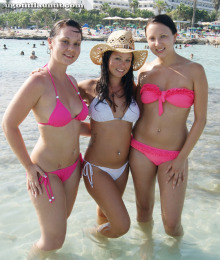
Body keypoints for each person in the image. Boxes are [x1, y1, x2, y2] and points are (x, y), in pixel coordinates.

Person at [2, 19, 89, 260]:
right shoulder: (38, 82)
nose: (71, 48)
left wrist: (117, 132)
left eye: (76, 44)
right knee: (53, 239)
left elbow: (76, 127)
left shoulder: (73, 81)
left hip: (74, 168)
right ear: (50, 43)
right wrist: (28, 166)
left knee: (58, 228)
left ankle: (47, 255)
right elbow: (8, 124)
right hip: (47, 171)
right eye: (65, 41)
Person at [129, 15, 208, 237]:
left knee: (172, 224)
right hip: (140, 149)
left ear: (175, 36)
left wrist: (182, 158)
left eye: (163, 36)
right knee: (143, 211)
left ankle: (176, 258)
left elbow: (200, 119)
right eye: (151, 38)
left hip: (174, 154)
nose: (157, 43)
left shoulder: (195, 70)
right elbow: (130, 106)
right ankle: (147, 246)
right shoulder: (144, 71)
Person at [79, 30, 148, 238]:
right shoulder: (88, 87)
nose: (123, 64)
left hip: (123, 167)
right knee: (122, 226)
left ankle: (101, 252)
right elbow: (57, 96)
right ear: (106, 58)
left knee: (106, 214)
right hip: (96, 168)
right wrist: (42, 72)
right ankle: (91, 235)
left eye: (128, 59)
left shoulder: (133, 90)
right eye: (117, 57)